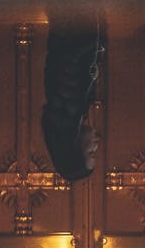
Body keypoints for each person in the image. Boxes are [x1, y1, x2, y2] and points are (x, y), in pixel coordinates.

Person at [41, 18, 105, 182]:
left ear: (75, 149)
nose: (96, 146)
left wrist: (97, 45)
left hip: (73, 17)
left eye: (91, 152)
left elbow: (69, 57)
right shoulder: (69, 115)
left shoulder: (67, 108)